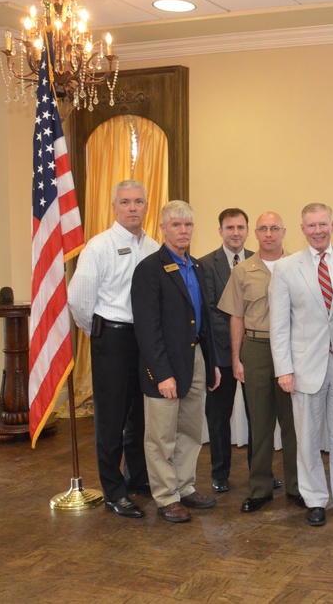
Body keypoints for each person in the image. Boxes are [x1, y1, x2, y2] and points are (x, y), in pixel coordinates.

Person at [68, 180, 159, 519]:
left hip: (145, 341)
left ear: (147, 206)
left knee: (139, 414)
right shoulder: (99, 246)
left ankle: (138, 479)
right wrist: (100, 332)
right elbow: (79, 299)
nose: (132, 207)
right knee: (111, 418)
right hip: (113, 338)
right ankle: (113, 490)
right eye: (125, 202)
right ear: (114, 207)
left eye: (138, 201)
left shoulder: (153, 247)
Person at [270, 203, 333, 528]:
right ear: (302, 229)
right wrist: (284, 369)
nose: (318, 230)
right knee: (306, 438)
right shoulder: (285, 268)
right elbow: (279, 325)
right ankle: (314, 500)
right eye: (311, 226)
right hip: (305, 367)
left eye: (323, 224)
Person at [131, 200, 218, 523]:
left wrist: (211, 364)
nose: (183, 231)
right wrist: (162, 374)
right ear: (163, 228)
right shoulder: (149, 269)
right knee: (161, 435)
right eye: (176, 225)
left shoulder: (196, 267)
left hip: (194, 359)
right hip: (164, 364)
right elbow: (147, 329)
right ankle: (166, 496)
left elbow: (203, 320)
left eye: (188, 225)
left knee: (191, 430)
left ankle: (185, 486)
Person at [218, 212, 304, 515]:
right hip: (255, 348)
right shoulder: (243, 270)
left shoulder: (298, 265)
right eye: (264, 229)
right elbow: (236, 317)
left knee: (293, 425)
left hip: (291, 351)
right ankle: (260, 488)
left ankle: (297, 487)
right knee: (260, 424)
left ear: (284, 231)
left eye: (275, 229)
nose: (269, 234)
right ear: (256, 233)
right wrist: (237, 359)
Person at [198, 208, 253, 494]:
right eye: (230, 228)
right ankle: (220, 473)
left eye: (241, 227)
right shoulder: (206, 265)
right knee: (218, 417)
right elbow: (209, 311)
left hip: (255, 353)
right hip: (220, 354)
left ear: (247, 230)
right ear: (220, 231)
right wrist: (235, 339)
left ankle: (260, 472)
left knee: (258, 415)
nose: (235, 233)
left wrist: (249, 340)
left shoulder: (259, 261)